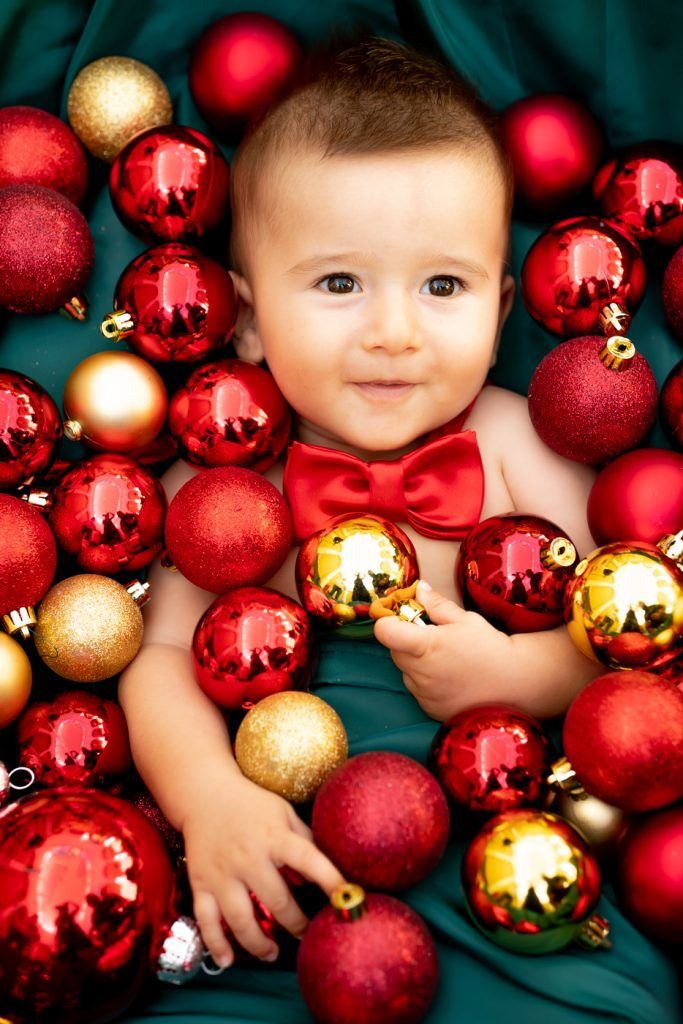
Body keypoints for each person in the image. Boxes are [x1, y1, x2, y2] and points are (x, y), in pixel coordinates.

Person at [119, 37, 681, 1024]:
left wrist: (517, 677)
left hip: (501, 850)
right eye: (339, 283)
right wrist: (210, 799)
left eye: (442, 286)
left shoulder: (514, 441)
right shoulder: (225, 476)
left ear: (503, 304)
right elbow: (159, 659)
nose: (394, 332)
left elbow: (621, 640)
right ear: (244, 320)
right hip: (281, 858)